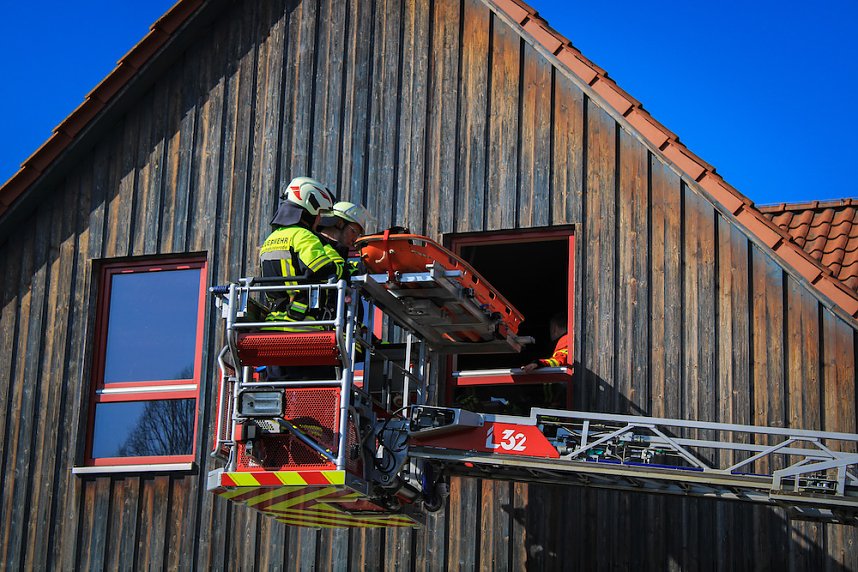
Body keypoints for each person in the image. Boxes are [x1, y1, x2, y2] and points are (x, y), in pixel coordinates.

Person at [260, 176, 343, 330]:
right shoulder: (303, 236)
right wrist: (342, 268)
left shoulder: (269, 240)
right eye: (319, 213)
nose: (319, 219)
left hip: (273, 325)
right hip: (302, 326)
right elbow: (323, 270)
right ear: (310, 208)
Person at [316, 201, 374, 279]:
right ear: (340, 223)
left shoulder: (338, 250)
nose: (355, 239)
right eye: (353, 231)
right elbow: (341, 270)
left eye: (357, 235)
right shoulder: (319, 245)